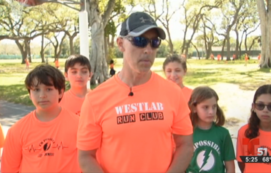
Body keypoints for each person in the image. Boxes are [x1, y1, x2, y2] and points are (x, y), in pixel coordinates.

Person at [77, 11, 194, 173]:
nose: (148, 49)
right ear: (120, 43)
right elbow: (85, 155)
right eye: (140, 41)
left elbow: (186, 144)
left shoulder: (173, 93)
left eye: (154, 42)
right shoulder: (95, 99)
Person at [1, 64, 81, 173]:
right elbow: (9, 169)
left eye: (49, 89)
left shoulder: (79, 125)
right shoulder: (16, 131)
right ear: (30, 94)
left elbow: (88, 162)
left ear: (61, 92)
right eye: (36, 90)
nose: (42, 95)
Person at [186, 86, 235, 173]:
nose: (211, 111)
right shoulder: (186, 133)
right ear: (194, 108)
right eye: (205, 107)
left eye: (214, 107)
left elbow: (230, 166)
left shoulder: (223, 133)